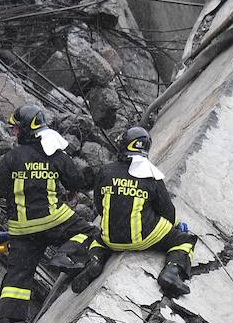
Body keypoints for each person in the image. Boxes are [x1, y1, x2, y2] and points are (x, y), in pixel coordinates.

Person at [0, 104, 97, 323]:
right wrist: (68, 189)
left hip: (21, 230)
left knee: (18, 275)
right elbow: (76, 181)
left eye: (15, 129)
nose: (13, 133)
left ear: (24, 130)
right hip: (53, 221)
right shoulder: (55, 154)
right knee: (92, 233)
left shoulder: (12, 158)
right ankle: (66, 255)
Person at [70, 127, 197, 296]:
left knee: (98, 241)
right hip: (144, 238)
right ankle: (172, 272)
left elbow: (99, 206)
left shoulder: (105, 171)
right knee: (185, 240)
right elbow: (167, 212)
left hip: (111, 239)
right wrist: (176, 226)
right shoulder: (151, 176)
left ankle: (95, 261)